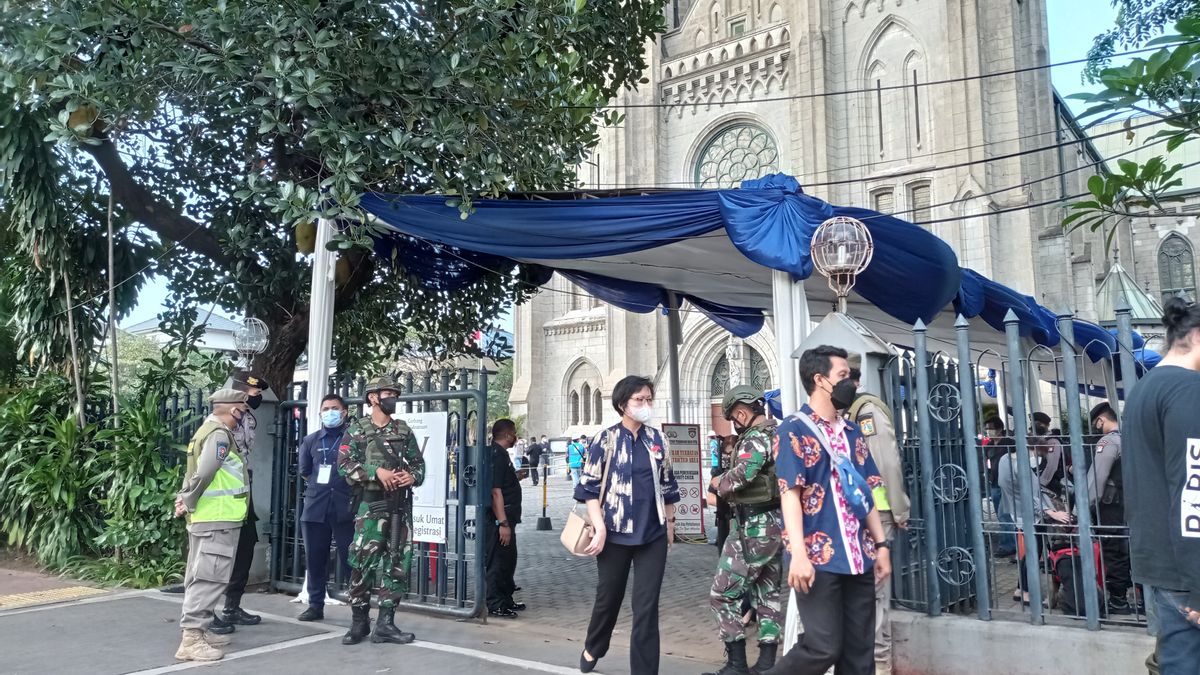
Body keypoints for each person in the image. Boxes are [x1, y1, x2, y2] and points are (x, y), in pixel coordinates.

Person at [763, 345, 891, 675]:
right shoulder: (793, 429)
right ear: (820, 380)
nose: (853, 384)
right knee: (824, 646)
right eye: (844, 376)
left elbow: (869, 491)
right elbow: (789, 494)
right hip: (818, 557)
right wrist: (800, 555)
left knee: (859, 653)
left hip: (859, 556)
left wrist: (881, 545)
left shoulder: (852, 432)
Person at [577, 375, 680, 675]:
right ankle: (595, 645)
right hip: (614, 535)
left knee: (646, 608)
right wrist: (600, 526)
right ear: (623, 404)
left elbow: (668, 485)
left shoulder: (658, 440)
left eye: (649, 399)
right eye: (639, 400)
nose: (645, 405)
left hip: (653, 535)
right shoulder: (604, 440)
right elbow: (588, 490)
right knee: (609, 598)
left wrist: (670, 524)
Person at [1123, 297, 1200, 675]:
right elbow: (1192, 493)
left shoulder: (1144, 388)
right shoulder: (1188, 390)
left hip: (1159, 564)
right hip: (1187, 575)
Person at [338, 376, 426, 646]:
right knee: (362, 563)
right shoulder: (358, 430)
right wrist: (376, 471)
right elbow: (343, 464)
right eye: (388, 393)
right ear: (373, 397)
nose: (393, 398)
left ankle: (386, 624)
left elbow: (418, 465)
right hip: (370, 507)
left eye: (395, 394)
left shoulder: (403, 429)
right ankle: (359, 622)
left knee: (397, 563)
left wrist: (412, 477)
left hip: (399, 507)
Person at [705, 386, 783, 675]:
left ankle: (737, 663)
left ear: (740, 413)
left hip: (751, 528)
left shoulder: (755, 439)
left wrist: (717, 483)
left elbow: (740, 477)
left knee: (722, 593)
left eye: (734, 419)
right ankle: (766, 664)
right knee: (767, 594)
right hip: (773, 524)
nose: (734, 425)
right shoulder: (778, 433)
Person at [172, 389, 251, 662]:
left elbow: (191, 472)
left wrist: (184, 498)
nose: (244, 414)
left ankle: (200, 630)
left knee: (199, 574)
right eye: (243, 409)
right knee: (209, 577)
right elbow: (205, 472)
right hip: (216, 517)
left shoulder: (204, 431)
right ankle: (192, 638)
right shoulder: (219, 435)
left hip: (207, 517)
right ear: (233, 410)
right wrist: (190, 499)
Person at [846, 361, 909, 675]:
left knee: (875, 594)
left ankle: (880, 665)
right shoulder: (848, 413)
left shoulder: (866, 411)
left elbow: (885, 464)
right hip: (857, 517)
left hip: (877, 515)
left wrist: (895, 509)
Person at [210, 370, 270, 633]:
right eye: (254, 394)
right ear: (240, 393)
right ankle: (205, 611)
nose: (256, 398)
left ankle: (232, 606)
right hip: (221, 499)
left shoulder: (249, 419)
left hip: (242, 493)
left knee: (245, 548)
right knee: (216, 555)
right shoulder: (218, 424)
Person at [296, 394, 355, 622]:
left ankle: (358, 609)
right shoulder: (311, 440)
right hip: (315, 507)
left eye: (335, 408)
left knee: (351, 559)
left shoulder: (352, 439)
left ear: (344, 412)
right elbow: (305, 470)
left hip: (345, 507)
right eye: (326, 408)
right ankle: (315, 605)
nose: (330, 412)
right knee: (315, 558)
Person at [996, 437, 1070, 604]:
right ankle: (1026, 591)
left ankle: (1019, 588)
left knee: (1031, 551)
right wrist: (1050, 512)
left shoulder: (1005, 459)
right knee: (1033, 552)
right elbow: (1029, 492)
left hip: (1019, 513)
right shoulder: (1021, 464)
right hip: (1033, 516)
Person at [1087, 402, 1135, 614]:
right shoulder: (1131, 439)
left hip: (1111, 506)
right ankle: (1144, 601)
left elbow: (1097, 480)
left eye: (1096, 424)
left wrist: (1085, 506)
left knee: (1114, 552)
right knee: (1132, 550)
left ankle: (1118, 601)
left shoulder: (1108, 442)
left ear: (1101, 420)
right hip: (1132, 505)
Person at [486, 419, 524, 618]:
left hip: (508, 516)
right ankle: (495, 603)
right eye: (514, 432)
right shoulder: (497, 455)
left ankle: (506, 599)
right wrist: (503, 523)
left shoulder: (501, 455)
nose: (515, 436)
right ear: (508, 435)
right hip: (501, 519)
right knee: (498, 562)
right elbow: (495, 491)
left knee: (508, 561)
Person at [983, 418, 1018, 558]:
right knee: (1002, 516)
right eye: (987, 429)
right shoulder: (989, 446)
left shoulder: (1010, 443)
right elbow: (988, 463)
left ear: (999, 429)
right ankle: (1012, 543)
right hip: (995, 484)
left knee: (1005, 515)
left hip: (1008, 484)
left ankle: (1008, 546)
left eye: (990, 428)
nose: (988, 431)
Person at [1032, 412, 1067, 500]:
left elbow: (1052, 466)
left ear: (1046, 425)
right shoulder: (1040, 440)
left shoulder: (1052, 441)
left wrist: (1041, 484)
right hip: (1043, 482)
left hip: (1052, 484)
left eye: (1039, 424)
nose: (1035, 426)